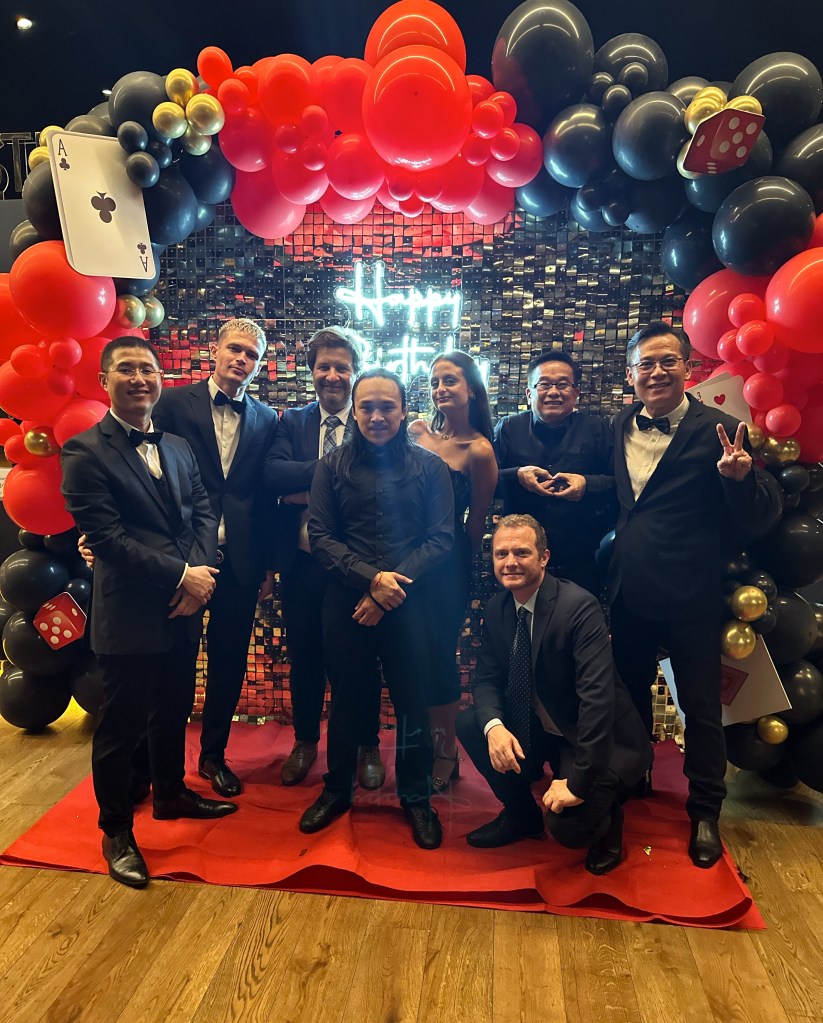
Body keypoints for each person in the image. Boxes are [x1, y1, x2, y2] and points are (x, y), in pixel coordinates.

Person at [61, 337, 237, 890]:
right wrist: (182, 576)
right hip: (130, 612)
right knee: (121, 728)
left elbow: (203, 512)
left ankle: (172, 794)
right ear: (104, 381)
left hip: (184, 607)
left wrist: (198, 578)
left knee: (174, 708)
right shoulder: (84, 451)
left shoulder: (178, 446)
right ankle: (116, 830)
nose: (139, 378)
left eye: (148, 369)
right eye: (127, 370)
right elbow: (107, 539)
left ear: (161, 379)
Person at [608, 321, 782, 868]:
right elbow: (629, 501)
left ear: (688, 367)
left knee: (701, 709)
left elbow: (758, 518)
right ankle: (633, 775)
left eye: (668, 361)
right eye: (646, 363)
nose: (657, 372)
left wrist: (738, 478)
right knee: (628, 697)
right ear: (631, 374)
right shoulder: (619, 425)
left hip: (690, 594)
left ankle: (705, 811)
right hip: (629, 591)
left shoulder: (722, 431)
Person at [300, 369, 454, 849]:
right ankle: (337, 790)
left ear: (404, 410)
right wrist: (371, 581)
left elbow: (440, 540)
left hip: (413, 603)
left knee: (412, 703)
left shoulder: (431, 468)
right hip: (347, 603)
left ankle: (416, 798)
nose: (377, 416)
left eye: (387, 406)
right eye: (366, 406)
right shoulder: (330, 467)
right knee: (346, 699)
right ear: (355, 409)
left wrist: (389, 587)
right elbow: (321, 537)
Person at [457, 515, 650, 873]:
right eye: (501, 554)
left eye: (521, 552)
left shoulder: (578, 607)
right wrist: (495, 728)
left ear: (544, 557)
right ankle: (522, 817)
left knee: (570, 829)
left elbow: (597, 701)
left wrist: (579, 784)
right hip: (540, 725)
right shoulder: (497, 609)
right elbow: (485, 679)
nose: (510, 562)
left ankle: (610, 819)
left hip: (590, 736)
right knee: (472, 723)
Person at [143, 318, 278, 798]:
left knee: (229, 662)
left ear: (259, 366)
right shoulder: (172, 403)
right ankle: (162, 768)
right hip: (182, 558)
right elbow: (147, 473)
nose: (242, 359)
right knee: (174, 664)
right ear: (214, 351)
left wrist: (266, 565)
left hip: (240, 562)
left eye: (252, 355)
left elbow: (264, 497)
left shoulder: (267, 418)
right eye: (235, 349)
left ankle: (214, 757)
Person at [265, 326, 385, 789]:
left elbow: (373, 486)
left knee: (360, 660)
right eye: (324, 367)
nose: (332, 375)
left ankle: (367, 743)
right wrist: (332, 475)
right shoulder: (291, 422)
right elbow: (273, 475)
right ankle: (305, 741)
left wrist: (305, 490)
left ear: (356, 373)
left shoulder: (371, 421)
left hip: (356, 567)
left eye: (342, 368)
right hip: (302, 565)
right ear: (311, 371)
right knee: (305, 657)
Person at [409, 351, 498, 792]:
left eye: (450, 380)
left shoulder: (480, 450)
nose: (440, 389)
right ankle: (417, 743)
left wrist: (462, 573)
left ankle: (446, 750)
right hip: (404, 559)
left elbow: (476, 523)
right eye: (434, 382)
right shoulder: (415, 432)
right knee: (409, 655)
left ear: (472, 390)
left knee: (440, 657)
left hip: (449, 567)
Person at [493, 350, 615, 595]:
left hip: (580, 560)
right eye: (544, 384)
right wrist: (516, 476)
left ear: (575, 393)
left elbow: (620, 484)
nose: (553, 392)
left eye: (562, 384)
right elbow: (484, 484)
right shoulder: (507, 428)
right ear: (529, 393)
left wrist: (587, 484)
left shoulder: (597, 429)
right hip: (518, 562)